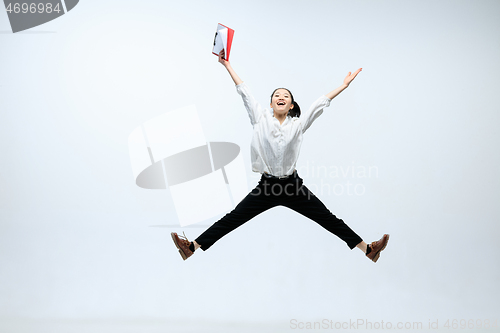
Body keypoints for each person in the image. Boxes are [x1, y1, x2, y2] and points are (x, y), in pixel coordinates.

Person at [172, 50, 389, 262]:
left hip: (292, 187)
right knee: (234, 218)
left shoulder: (299, 124)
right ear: (271, 103)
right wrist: (227, 65)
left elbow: (320, 103)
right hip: (267, 187)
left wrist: (343, 85)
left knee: (328, 218)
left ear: (291, 105)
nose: (281, 97)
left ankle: (368, 249)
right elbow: (244, 92)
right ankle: (192, 247)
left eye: (285, 96)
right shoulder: (260, 118)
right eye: (277, 95)